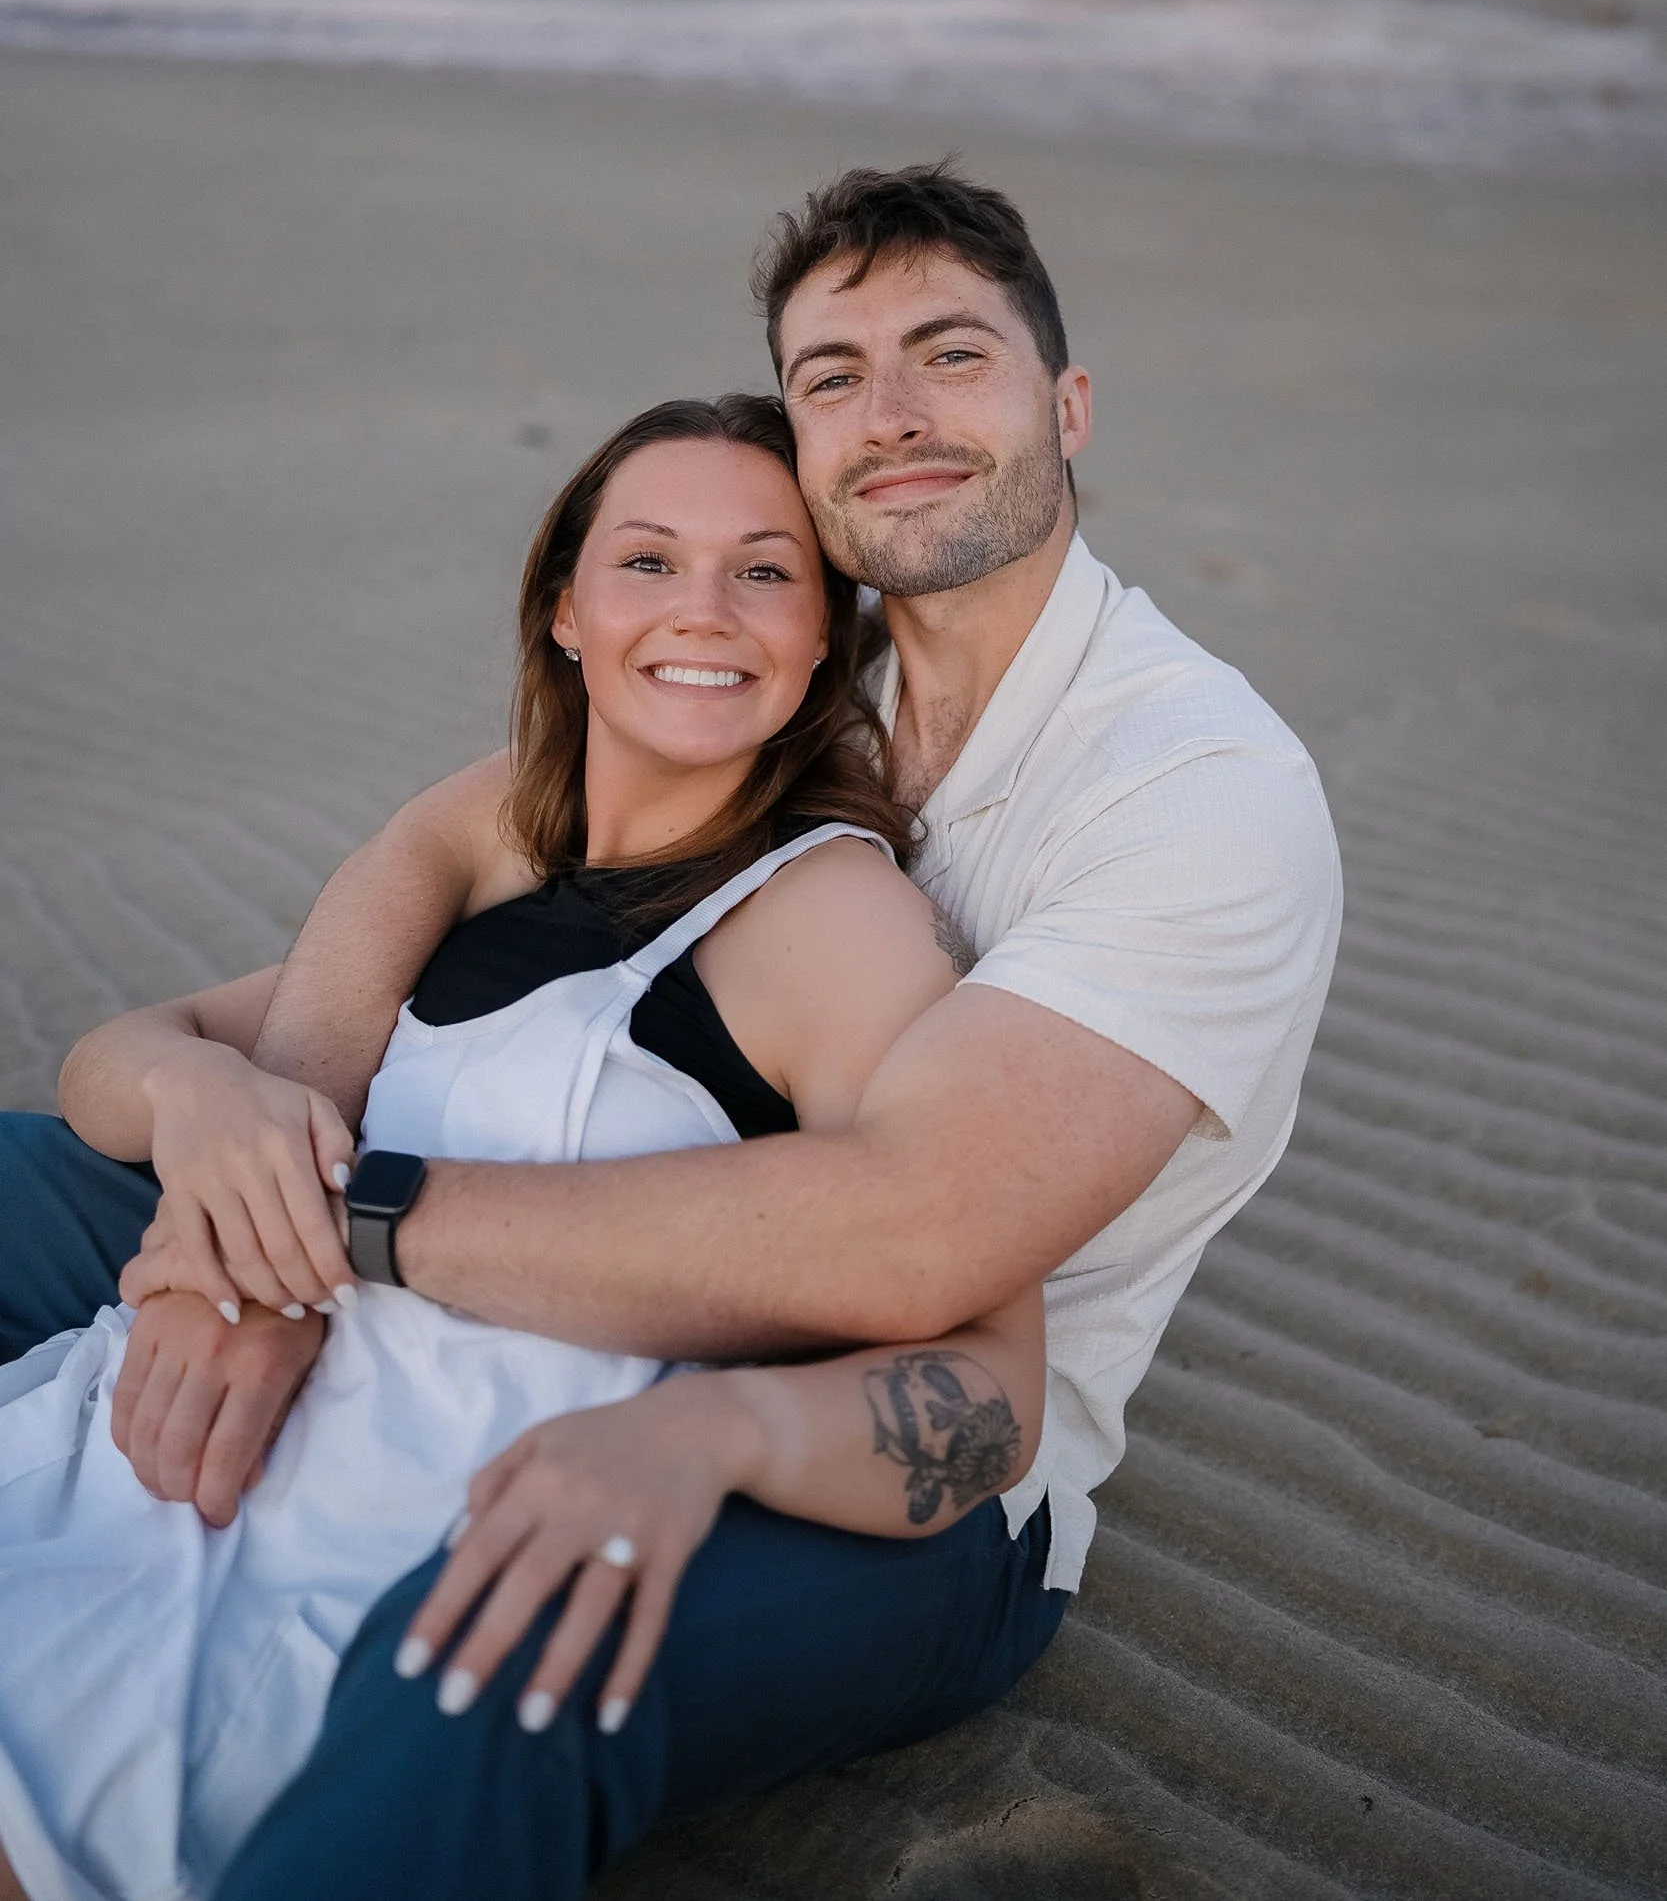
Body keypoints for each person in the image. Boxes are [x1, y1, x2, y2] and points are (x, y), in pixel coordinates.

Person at [0, 162, 1342, 1901]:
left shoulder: (1195, 790)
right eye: (834, 376)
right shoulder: (790, 671)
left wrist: (313, 1233)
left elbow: (921, 1244)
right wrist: (238, 1167)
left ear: (1066, 406)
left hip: (892, 1449)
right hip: (537, 1249)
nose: (895, 416)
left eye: (952, 355)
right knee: (34, 1177)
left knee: (505, 1652)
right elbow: (447, 833)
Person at [0, 394, 1053, 1901]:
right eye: (647, 561)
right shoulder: (508, 850)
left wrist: (720, 1439)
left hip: (411, 1481)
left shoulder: (832, 923)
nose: (704, 610)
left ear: (827, 635)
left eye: (764, 572)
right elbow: (118, 1062)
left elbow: (985, 1379)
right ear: (564, 610)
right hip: (224, 1415)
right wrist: (208, 1104)